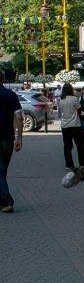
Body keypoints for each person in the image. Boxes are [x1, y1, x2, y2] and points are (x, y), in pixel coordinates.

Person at [57, 83, 84, 187]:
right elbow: (79, 111)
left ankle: (69, 164)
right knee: (80, 145)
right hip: (75, 125)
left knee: (67, 146)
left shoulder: (61, 100)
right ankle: (83, 164)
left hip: (65, 126)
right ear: (71, 89)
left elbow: (59, 114)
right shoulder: (75, 99)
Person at [0, 84, 23, 213]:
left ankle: (7, 201)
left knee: (0, 171)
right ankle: (2, 201)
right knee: (2, 170)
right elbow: (19, 116)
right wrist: (19, 137)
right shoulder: (11, 95)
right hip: (8, 138)